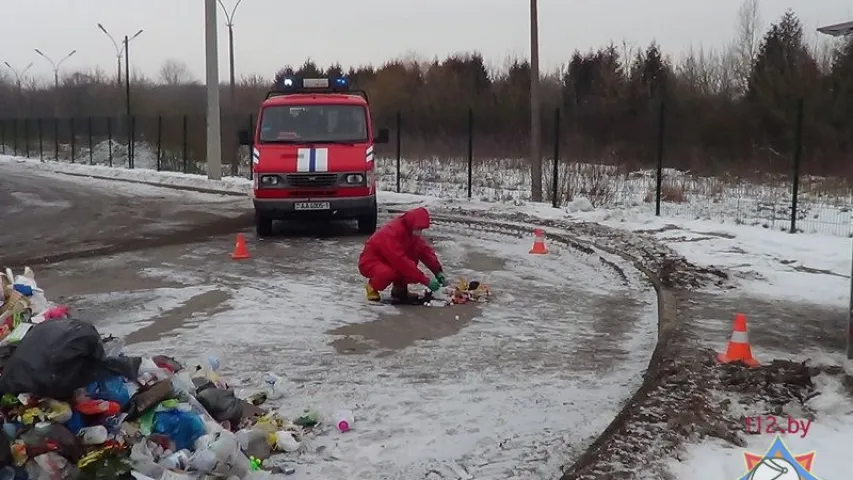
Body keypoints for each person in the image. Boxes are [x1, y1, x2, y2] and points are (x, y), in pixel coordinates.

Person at [358, 206, 446, 302]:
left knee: (411, 258)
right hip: (371, 261)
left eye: (421, 229)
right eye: (419, 228)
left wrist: (437, 271)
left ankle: (400, 291)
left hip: (390, 261)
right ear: (412, 224)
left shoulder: (411, 232)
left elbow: (425, 252)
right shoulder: (391, 233)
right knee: (388, 273)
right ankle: (372, 287)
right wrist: (426, 281)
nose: (420, 232)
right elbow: (401, 261)